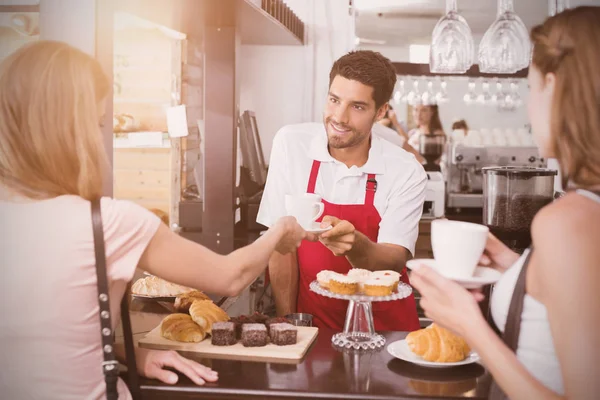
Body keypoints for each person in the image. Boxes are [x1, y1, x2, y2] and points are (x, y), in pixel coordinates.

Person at [0, 41, 307, 399]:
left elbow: (45, 333)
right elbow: (230, 276)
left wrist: (130, 353)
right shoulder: (109, 224)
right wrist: (281, 230)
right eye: (97, 123)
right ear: (70, 131)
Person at [411, 6, 600, 399]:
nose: (530, 108)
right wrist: (517, 268)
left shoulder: (568, 221)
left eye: (530, 90)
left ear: (553, 86)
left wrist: (468, 324)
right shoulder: (584, 214)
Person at [257, 50, 427, 331]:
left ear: (381, 111)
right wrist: (290, 325)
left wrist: (356, 245)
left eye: (357, 107)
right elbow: (281, 246)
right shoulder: (292, 145)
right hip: (314, 326)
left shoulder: (405, 170)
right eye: (334, 100)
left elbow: (395, 260)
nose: (339, 117)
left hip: (385, 330)